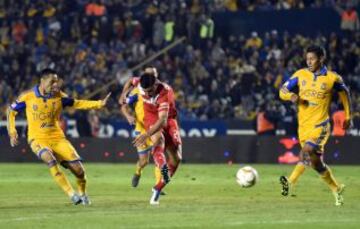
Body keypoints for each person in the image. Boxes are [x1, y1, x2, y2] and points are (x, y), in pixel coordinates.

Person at [7, 68, 111, 205]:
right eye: (52, 81)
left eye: (56, 81)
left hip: (57, 138)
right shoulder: (28, 96)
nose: (55, 85)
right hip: (37, 139)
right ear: (42, 81)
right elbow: (11, 111)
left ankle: (82, 193)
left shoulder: (59, 96)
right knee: (50, 159)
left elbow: (77, 103)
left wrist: (99, 104)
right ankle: (71, 194)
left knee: (79, 171)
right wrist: (12, 132)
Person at [279, 45, 352, 206]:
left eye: (312, 58)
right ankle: (336, 188)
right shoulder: (300, 75)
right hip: (303, 127)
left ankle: (289, 182)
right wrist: (291, 96)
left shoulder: (332, 78)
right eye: (307, 58)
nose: (309, 61)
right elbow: (282, 90)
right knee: (315, 163)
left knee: (307, 150)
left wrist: (348, 115)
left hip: (321, 125)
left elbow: (345, 94)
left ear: (321, 59)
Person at [132, 68, 182, 205]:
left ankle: (157, 188)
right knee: (158, 140)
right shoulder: (140, 83)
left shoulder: (164, 92)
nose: (147, 94)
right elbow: (131, 81)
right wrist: (123, 96)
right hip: (150, 118)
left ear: (155, 85)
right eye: (145, 91)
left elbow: (163, 121)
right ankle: (162, 168)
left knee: (177, 159)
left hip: (168, 119)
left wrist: (145, 135)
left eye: (150, 91)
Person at [119, 84, 162, 188]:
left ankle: (158, 186)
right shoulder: (136, 92)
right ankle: (138, 172)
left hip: (153, 129)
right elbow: (123, 106)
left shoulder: (161, 91)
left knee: (158, 157)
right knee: (144, 161)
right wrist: (128, 116)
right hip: (141, 129)